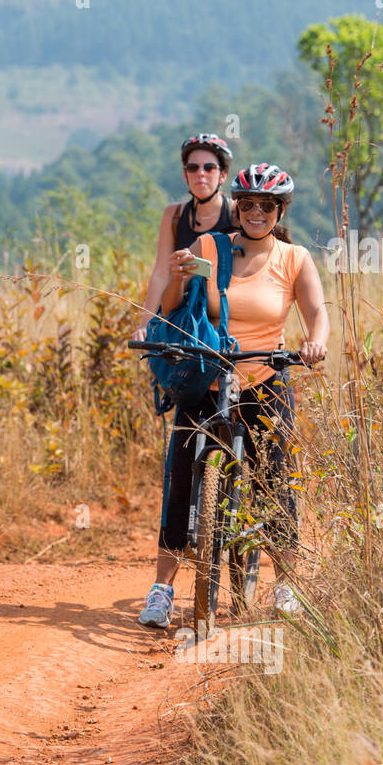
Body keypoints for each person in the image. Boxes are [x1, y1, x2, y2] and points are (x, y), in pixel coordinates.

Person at [137, 163, 330, 628]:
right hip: (207, 373)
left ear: (279, 210)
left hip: (266, 375)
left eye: (267, 206)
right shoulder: (210, 247)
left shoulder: (294, 258)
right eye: (247, 205)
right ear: (237, 208)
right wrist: (180, 278)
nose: (256, 213)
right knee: (181, 473)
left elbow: (316, 311)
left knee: (275, 480)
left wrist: (314, 341)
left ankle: (286, 584)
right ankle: (162, 589)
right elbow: (171, 306)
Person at [134, 133, 238, 338]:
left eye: (209, 168)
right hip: (182, 317)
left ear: (223, 175)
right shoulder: (173, 215)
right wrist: (147, 325)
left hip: (224, 317)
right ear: (185, 175)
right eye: (193, 168)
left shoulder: (236, 214)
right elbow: (161, 274)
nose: (201, 173)